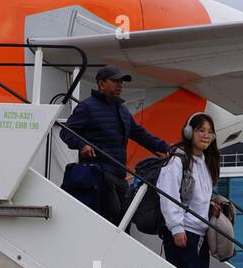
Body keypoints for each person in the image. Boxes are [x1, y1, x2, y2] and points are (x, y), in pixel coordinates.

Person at [58, 65, 170, 222]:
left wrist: (166, 148)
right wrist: (82, 145)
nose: (120, 85)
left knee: (125, 218)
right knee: (113, 216)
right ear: (101, 83)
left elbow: (140, 134)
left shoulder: (122, 110)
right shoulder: (87, 107)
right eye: (116, 81)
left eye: (122, 82)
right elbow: (65, 131)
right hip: (99, 174)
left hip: (119, 174)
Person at [157, 113, 220, 268]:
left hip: (200, 236)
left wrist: (210, 207)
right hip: (184, 234)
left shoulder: (206, 163)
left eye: (210, 131)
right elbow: (167, 193)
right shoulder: (178, 161)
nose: (206, 135)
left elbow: (198, 196)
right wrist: (176, 228)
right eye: (201, 130)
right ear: (189, 132)